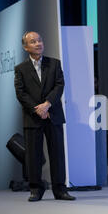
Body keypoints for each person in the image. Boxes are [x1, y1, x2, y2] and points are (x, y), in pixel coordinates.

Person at [14, 31, 75, 202]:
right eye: (33, 41)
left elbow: (59, 86)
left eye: (40, 40)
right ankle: (35, 189)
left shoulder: (54, 64)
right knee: (33, 155)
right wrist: (37, 109)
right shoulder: (20, 69)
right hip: (33, 117)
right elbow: (21, 93)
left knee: (57, 154)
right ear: (26, 47)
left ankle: (60, 190)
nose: (38, 43)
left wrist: (47, 104)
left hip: (53, 114)